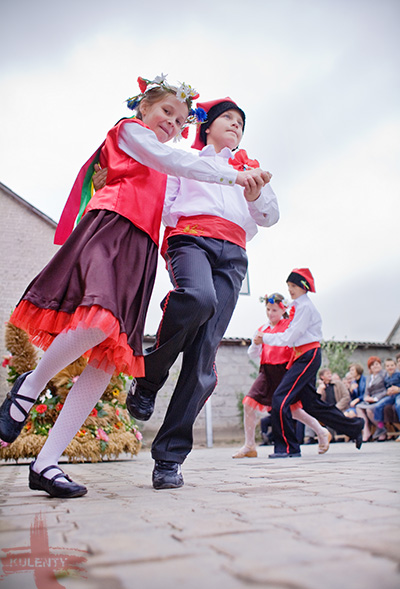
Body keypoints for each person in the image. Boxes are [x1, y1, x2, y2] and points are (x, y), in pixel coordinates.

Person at [0, 76, 264, 498]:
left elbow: (171, 189)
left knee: (106, 358)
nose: (173, 124)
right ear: (144, 107)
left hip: (141, 249)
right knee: (98, 323)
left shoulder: (167, 158)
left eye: (180, 121)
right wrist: (233, 176)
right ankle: (30, 385)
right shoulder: (131, 132)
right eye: (166, 113)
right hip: (112, 231)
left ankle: (46, 464)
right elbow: (172, 164)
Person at [127, 96, 279, 489]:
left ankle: (168, 460)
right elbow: (164, 203)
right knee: (197, 298)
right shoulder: (187, 161)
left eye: (240, 123)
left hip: (234, 253)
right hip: (191, 239)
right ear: (206, 126)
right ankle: (148, 378)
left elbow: (270, 216)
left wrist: (254, 195)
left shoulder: (250, 169)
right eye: (227, 119)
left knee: (203, 359)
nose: (235, 126)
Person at [254, 268, 364, 458]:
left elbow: (290, 337)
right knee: (311, 404)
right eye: (288, 286)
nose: (290, 289)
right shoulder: (297, 306)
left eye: (294, 286)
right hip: (302, 356)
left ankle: (288, 448)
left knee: (280, 398)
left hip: (308, 355)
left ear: (304, 287)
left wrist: (265, 338)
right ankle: (354, 427)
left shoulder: (305, 308)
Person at [232, 293, 331, 458]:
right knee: (249, 403)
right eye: (268, 309)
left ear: (283, 309)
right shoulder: (262, 329)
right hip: (266, 372)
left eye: (275, 310)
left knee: (293, 410)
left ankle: (321, 432)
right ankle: (249, 445)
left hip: (285, 371)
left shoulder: (289, 326)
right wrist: (256, 344)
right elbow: (252, 354)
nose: (271, 313)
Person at [354, 356, 387, 442]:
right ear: (370, 368)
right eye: (373, 365)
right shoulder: (369, 377)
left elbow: (386, 389)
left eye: (377, 364)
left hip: (380, 398)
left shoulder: (384, 374)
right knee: (358, 407)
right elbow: (366, 391)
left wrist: (375, 398)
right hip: (370, 400)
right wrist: (366, 397)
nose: (375, 366)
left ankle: (381, 428)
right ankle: (366, 432)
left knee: (369, 410)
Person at [368, 357, 400, 440]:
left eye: (392, 365)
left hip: (398, 394)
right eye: (388, 366)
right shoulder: (386, 377)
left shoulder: (398, 375)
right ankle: (380, 426)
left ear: (395, 366)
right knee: (378, 406)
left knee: (398, 405)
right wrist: (388, 391)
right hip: (391, 396)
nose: (390, 367)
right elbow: (386, 388)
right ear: (385, 368)